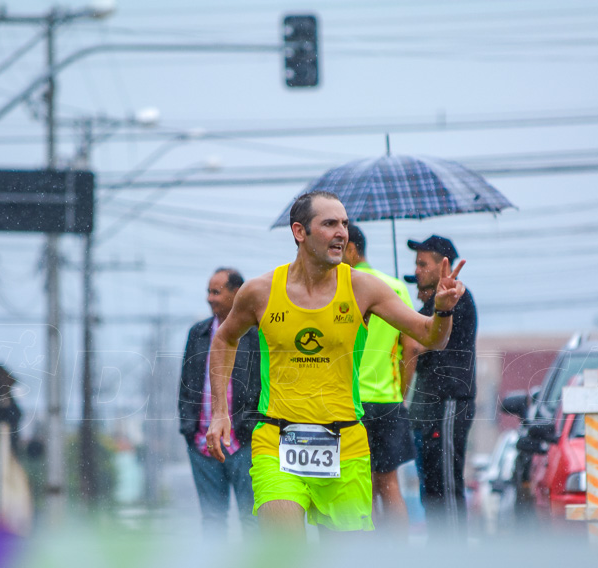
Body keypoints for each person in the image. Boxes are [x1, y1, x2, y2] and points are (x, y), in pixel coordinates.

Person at [205, 191, 466, 537]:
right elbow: (224, 339)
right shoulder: (260, 291)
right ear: (300, 231)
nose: (342, 232)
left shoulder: (363, 288)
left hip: (344, 442)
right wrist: (220, 411)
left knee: (342, 567)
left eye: (344, 223)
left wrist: (443, 309)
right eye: (329, 223)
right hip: (277, 441)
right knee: (284, 551)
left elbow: (431, 337)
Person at [340, 224, 417, 535]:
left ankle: (369, 557)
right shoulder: (395, 287)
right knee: (389, 483)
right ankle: (398, 555)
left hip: (350, 404)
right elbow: (412, 345)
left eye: (340, 246)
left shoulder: (340, 288)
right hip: (387, 401)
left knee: (361, 484)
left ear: (353, 250)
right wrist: (402, 390)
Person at [178, 268, 260, 539]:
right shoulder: (198, 334)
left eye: (216, 292)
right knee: (212, 519)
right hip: (202, 441)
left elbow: (261, 385)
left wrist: (249, 426)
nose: (210, 298)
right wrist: (189, 428)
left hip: (244, 441)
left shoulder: (256, 334)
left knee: (251, 517)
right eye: (208, 291)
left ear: (237, 293)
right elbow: (187, 383)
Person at [406, 235, 477, 539]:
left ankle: (454, 556)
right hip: (427, 406)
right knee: (431, 485)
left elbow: (413, 344)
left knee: (446, 485)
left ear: (443, 265)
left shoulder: (455, 298)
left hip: (449, 401)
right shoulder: (431, 306)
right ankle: (439, 552)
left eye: (423, 264)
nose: (417, 270)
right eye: (416, 264)